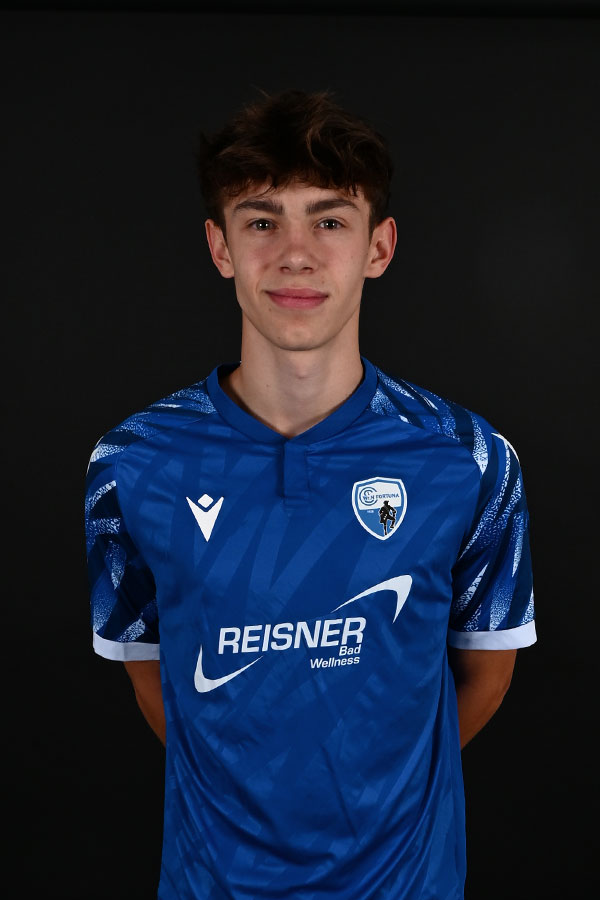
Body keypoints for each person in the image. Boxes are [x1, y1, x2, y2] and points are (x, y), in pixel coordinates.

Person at [84, 89, 536, 900]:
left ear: (378, 247)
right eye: (262, 221)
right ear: (220, 247)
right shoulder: (132, 463)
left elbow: (487, 677)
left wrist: (373, 801)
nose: (295, 254)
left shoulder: (469, 458)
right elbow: (156, 678)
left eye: (329, 221)